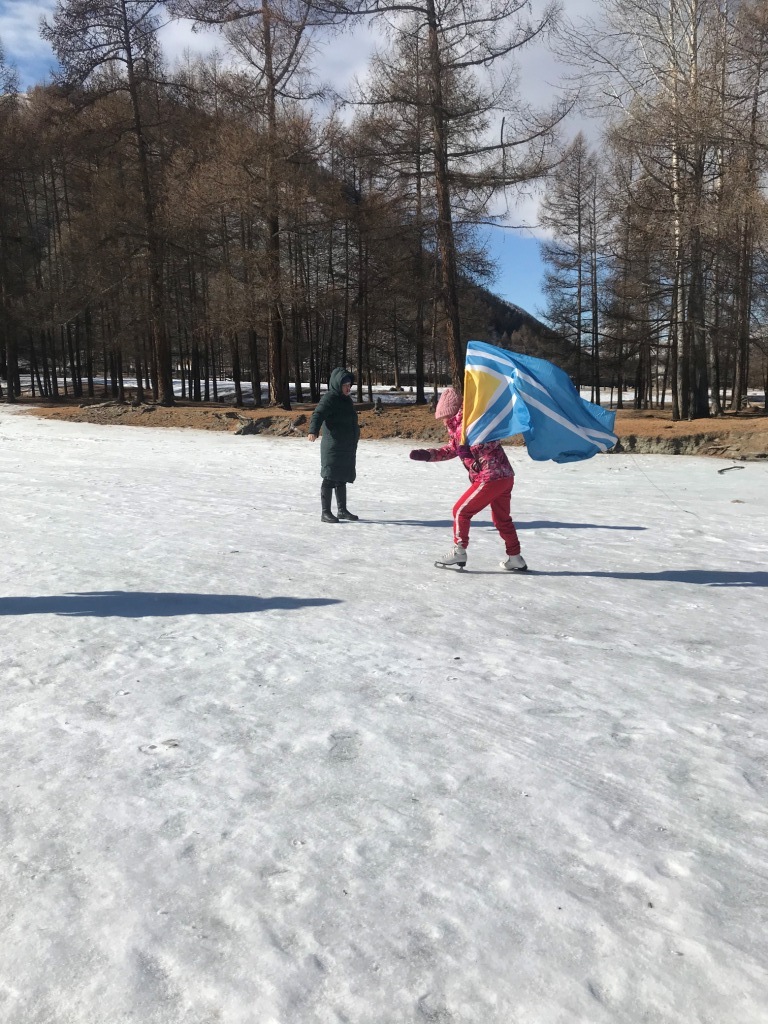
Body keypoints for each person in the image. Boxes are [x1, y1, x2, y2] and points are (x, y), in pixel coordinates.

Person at [409, 386, 527, 571]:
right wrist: (428, 454)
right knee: (501, 519)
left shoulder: (472, 421)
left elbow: (491, 440)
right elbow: (452, 449)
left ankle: (459, 550)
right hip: (503, 476)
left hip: (490, 476)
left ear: (452, 411)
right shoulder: (458, 429)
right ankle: (515, 557)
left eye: (444, 416)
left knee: (460, 511)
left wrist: (472, 451)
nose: (443, 421)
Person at [308, 368, 360, 523]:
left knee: (341, 477)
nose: (348, 388)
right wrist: (313, 431)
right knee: (330, 477)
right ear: (338, 384)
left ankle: (342, 510)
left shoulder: (346, 400)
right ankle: (325, 513)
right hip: (333, 446)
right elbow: (318, 414)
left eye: (349, 385)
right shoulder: (329, 398)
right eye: (345, 385)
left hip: (346, 446)